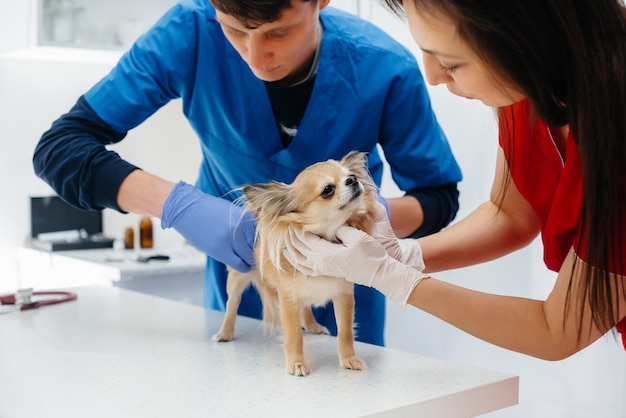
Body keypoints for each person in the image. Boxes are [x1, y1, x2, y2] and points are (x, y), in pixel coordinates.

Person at [33, 0, 462, 346]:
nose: (255, 57)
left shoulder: (384, 67)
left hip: (346, 292)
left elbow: (438, 196)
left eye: (278, 31)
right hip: (242, 284)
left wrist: (357, 220)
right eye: (234, 30)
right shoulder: (191, 33)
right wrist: (176, 205)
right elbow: (61, 148)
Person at [285, 0, 626, 358]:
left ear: (526, 38)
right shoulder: (524, 86)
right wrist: (403, 254)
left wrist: (394, 279)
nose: (432, 76)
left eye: (450, 62)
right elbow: (509, 215)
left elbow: (558, 331)